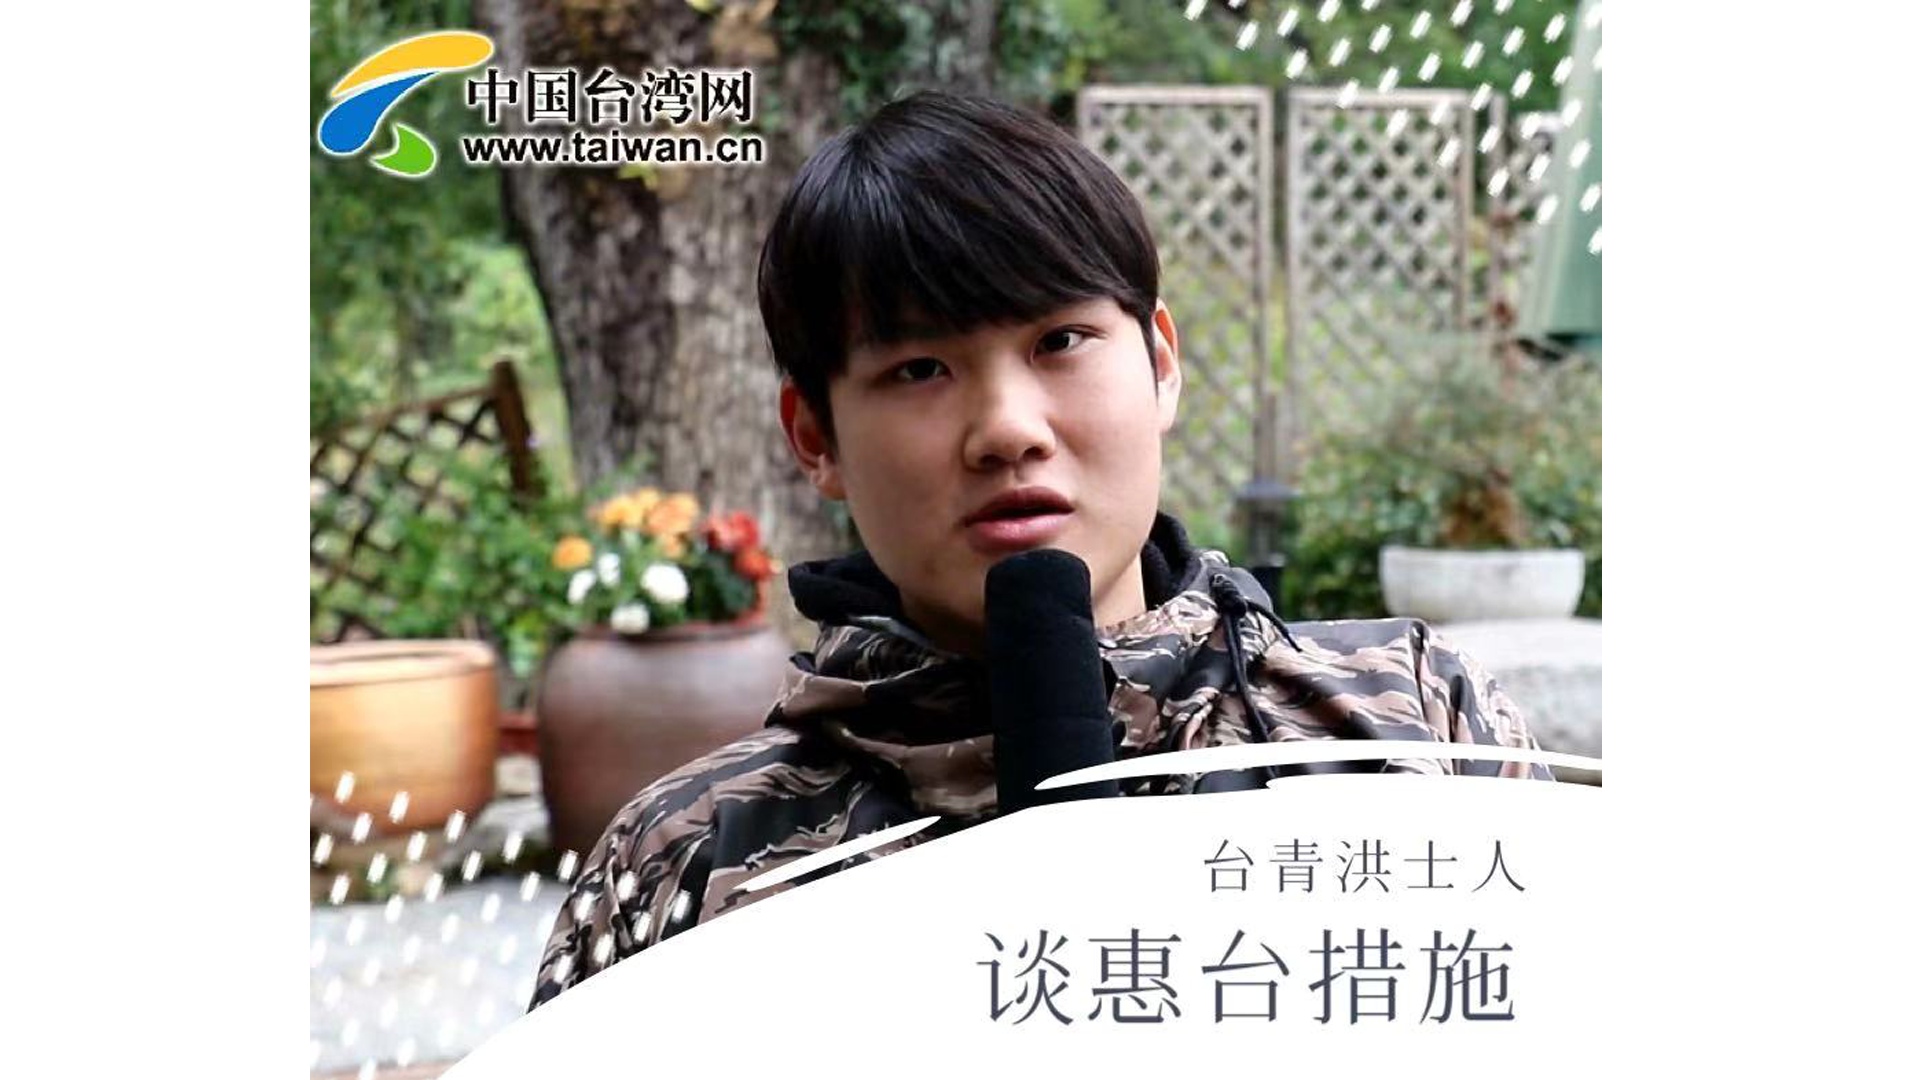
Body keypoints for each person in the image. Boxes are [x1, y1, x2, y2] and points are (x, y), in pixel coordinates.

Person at [526, 90, 1552, 1011]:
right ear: (814, 437)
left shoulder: (1408, 725)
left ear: (1159, 363)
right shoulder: (689, 859)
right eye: (919, 368)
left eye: (1060, 341)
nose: (1007, 430)